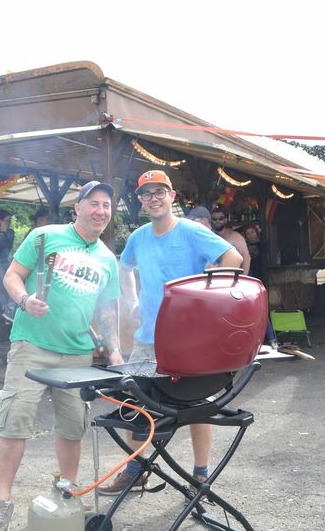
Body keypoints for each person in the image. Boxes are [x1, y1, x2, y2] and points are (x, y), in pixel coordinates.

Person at [0, 181, 124, 531]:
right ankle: (2, 501)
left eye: (106, 205)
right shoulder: (44, 236)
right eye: (93, 203)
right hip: (31, 345)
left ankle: (67, 492)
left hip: (78, 353)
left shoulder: (107, 259)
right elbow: (12, 275)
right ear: (77, 208)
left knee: (72, 426)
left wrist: (115, 351)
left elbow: (108, 311)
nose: (100, 211)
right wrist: (24, 301)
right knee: (13, 420)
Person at [97, 169, 243, 496]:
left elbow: (233, 258)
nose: (153, 198)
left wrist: (204, 294)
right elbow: (125, 268)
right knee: (137, 405)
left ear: (172, 196)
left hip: (190, 343)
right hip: (147, 340)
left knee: (197, 406)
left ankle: (201, 476)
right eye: (146, 194)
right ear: (140, 202)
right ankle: (136, 472)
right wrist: (132, 300)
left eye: (159, 191)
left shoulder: (191, 231)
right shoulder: (137, 238)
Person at [244, 225, 279, 349]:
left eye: (252, 232)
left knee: (262, 310)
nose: (251, 235)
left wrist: (261, 231)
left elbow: (265, 244)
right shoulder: (244, 247)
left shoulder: (261, 244)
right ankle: (266, 340)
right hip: (248, 278)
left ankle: (271, 339)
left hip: (259, 278)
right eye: (248, 233)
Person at [210, 207, 251, 275]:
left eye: (221, 218)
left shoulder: (235, 236)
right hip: (213, 278)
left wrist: (243, 278)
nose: (217, 221)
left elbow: (246, 258)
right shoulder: (209, 236)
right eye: (214, 219)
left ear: (226, 220)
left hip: (233, 278)